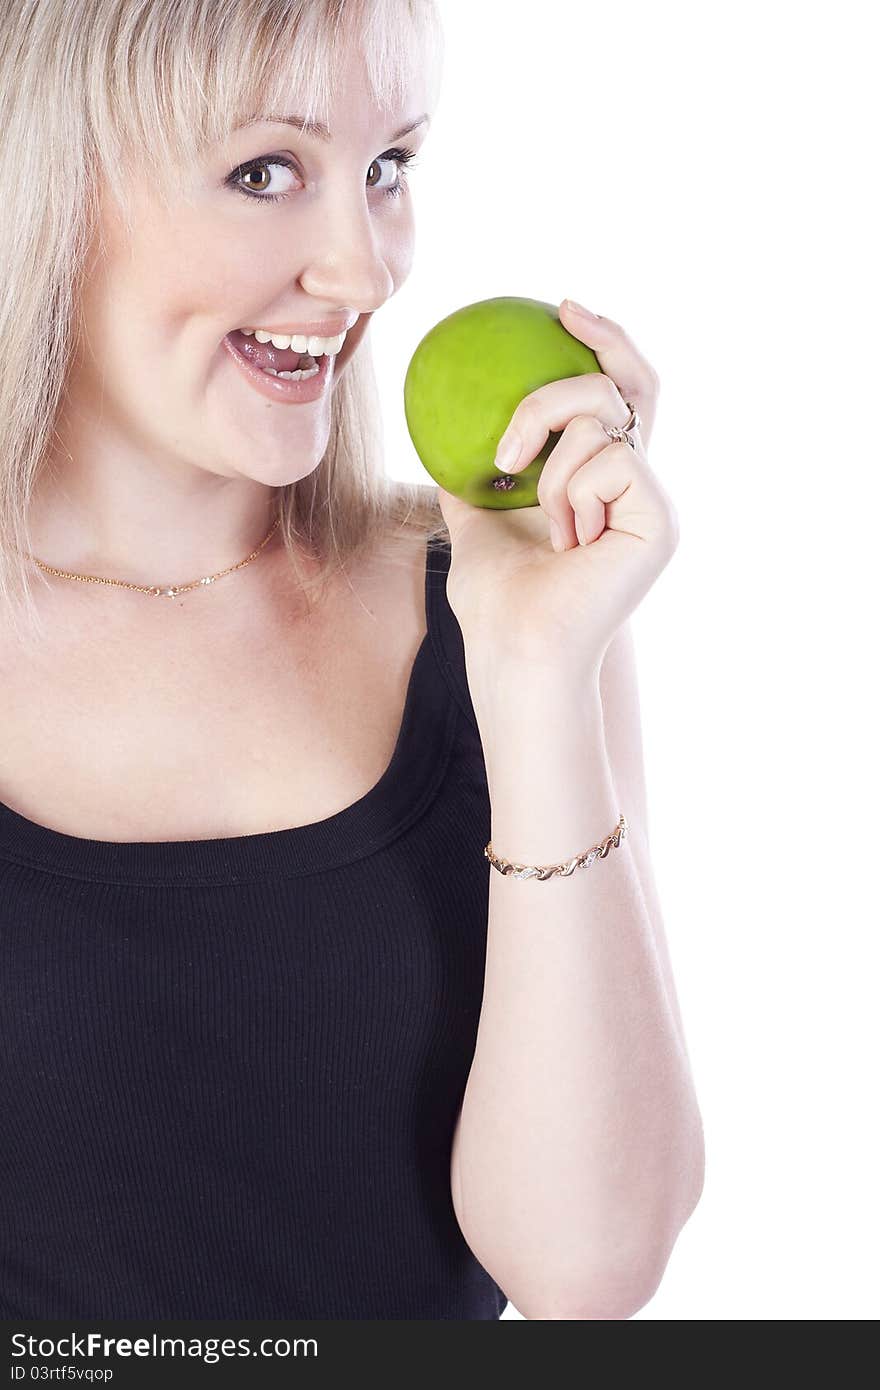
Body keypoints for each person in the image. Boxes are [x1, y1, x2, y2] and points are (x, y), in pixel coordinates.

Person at [0, 0, 704, 1322]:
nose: (366, 271)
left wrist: (533, 671)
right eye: (265, 170)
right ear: (54, 180)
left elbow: (585, 1270)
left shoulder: (494, 608)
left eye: (388, 168)